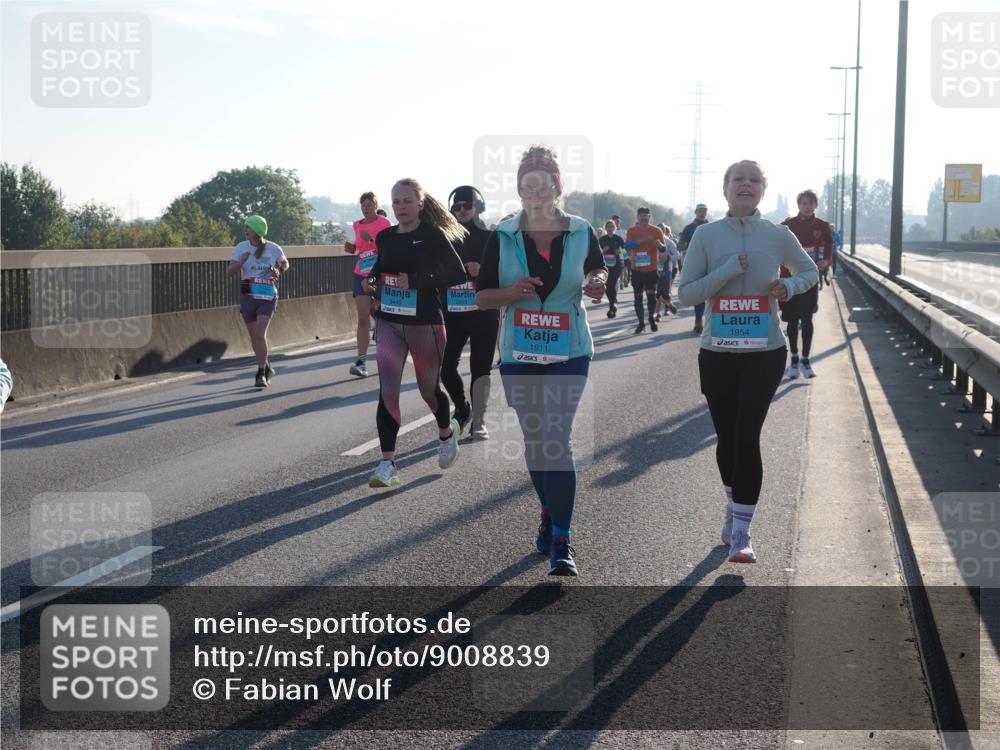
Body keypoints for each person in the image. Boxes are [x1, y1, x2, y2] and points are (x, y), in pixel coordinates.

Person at [476, 145, 607, 576]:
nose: (533, 194)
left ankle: (562, 540)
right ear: (518, 189)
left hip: (570, 349)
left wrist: (597, 282)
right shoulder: (503, 234)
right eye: (526, 186)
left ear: (556, 187)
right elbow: (482, 298)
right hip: (520, 351)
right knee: (536, 441)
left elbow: (597, 270)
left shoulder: (581, 231)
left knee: (556, 438)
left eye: (542, 185)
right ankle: (549, 512)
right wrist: (511, 292)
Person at [678, 160, 817, 563]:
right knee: (726, 439)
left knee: (746, 436)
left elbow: (809, 272)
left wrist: (787, 285)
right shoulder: (706, 235)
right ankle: (732, 503)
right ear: (725, 189)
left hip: (765, 353)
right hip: (718, 353)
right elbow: (686, 295)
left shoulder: (778, 234)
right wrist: (725, 271)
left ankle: (742, 531)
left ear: (762, 190)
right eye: (738, 179)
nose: (746, 185)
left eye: (754, 180)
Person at [362, 179, 468, 488]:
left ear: (420, 204)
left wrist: (418, 280)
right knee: (388, 391)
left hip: (425, 324)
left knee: (428, 391)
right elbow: (380, 267)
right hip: (389, 322)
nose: (401, 207)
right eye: (396, 202)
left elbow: (457, 273)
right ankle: (387, 464)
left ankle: (446, 435)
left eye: (407, 201)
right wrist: (371, 280)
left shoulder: (431, 235)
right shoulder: (385, 236)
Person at [439, 185, 500, 440]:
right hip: (453, 312)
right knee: (445, 367)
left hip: (484, 312)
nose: (462, 210)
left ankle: (480, 420)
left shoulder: (492, 237)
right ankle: (462, 408)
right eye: (457, 206)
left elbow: (507, 273)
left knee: (480, 367)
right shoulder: (444, 237)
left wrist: (482, 270)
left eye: (467, 205)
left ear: (479, 207)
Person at [227, 215, 289, 388]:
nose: (245, 230)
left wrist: (278, 270)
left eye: (248, 227)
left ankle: (260, 373)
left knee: (260, 334)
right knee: (254, 337)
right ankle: (266, 366)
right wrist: (241, 262)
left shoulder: (273, 248)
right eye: (245, 227)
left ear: (257, 230)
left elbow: (285, 263)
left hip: (267, 295)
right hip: (248, 295)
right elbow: (229, 272)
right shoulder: (241, 247)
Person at [780, 189, 832, 379]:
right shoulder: (787, 225)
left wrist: (826, 261)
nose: (807, 207)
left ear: (816, 205)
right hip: (789, 279)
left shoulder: (823, 226)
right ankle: (794, 359)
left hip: (810, 278)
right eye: (804, 203)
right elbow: (775, 244)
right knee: (792, 321)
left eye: (811, 203)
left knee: (807, 319)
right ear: (799, 205)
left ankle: (806, 361)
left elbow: (829, 246)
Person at [344, 193, 392, 377]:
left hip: (378, 274)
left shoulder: (384, 223)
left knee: (381, 312)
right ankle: (361, 362)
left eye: (369, 205)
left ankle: (387, 337)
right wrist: (352, 248)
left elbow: (389, 248)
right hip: (360, 273)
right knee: (363, 317)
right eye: (363, 205)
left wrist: (371, 239)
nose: (366, 208)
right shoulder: (357, 224)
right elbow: (359, 248)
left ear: (376, 205)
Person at [626, 207, 666, 334]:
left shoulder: (656, 230)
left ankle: (651, 318)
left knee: (651, 296)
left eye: (646, 216)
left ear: (649, 217)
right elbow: (627, 246)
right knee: (637, 297)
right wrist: (640, 241)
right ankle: (641, 323)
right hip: (637, 270)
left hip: (651, 269)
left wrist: (660, 245)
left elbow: (663, 249)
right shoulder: (632, 231)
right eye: (641, 216)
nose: (643, 218)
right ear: (637, 217)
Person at [678, 203, 710, 334]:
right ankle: (698, 321)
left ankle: (711, 321)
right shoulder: (688, 229)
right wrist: (691, 245)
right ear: (695, 212)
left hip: (711, 262)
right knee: (700, 292)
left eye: (704, 211)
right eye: (700, 211)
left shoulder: (712, 227)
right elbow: (679, 246)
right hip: (695, 264)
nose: (702, 213)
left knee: (713, 291)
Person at [599, 220, 625, 317]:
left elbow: (624, 250)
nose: (610, 228)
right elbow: (596, 252)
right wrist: (602, 250)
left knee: (612, 284)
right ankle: (613, 303)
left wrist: (619, 251)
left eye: (612, 226)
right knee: (606, 286)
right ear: (606, 228)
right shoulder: (602, 240)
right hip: (605, 266)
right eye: (608, 226)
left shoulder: (619, 239)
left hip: (616, 266)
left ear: (615, 228)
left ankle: (612, 306)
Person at [656, 225, 680, 318]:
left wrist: (669, 257)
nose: (659, 232)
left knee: (665, 292)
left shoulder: (669, 242)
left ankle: (667, 306)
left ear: (664, 231)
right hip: (654, 269)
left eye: (661, 230)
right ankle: (657, 313)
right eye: (657, 230)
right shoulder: (652, 241)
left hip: (666, 270)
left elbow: (677, 255)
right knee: (656, 292)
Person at [611, 215, 630, 288]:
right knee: (619, 267)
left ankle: (625, 279)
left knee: (624, 267)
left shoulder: (624, 231)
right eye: (615, 221)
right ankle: (621, 281)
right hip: (615, 252)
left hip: (623, 251)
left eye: (618, 221)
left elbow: (627, 242)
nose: (617, 223)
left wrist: (627, 250)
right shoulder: (611, 232)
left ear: (620, 222)